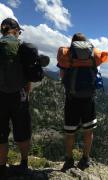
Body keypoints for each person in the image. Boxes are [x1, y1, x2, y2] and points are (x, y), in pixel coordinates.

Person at [0, 18, 49, 179]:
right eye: (19, 31)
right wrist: (26, 93)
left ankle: (1, 168)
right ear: (14, 30)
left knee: (1, 134)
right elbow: (30, 77)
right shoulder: (22, 48)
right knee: (22, 131)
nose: (19, 34)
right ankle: (23, 163)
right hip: (19, 97)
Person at [57, 32, 108, 171]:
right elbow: (97, 74)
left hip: (72, 99)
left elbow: (62, 76)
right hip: (88, 99)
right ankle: (85, 158)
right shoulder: (93, 56)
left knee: (70, 132)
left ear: (73, 43)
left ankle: (69, 160)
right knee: (88, 131)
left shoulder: (67, 55)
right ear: (86, 43)